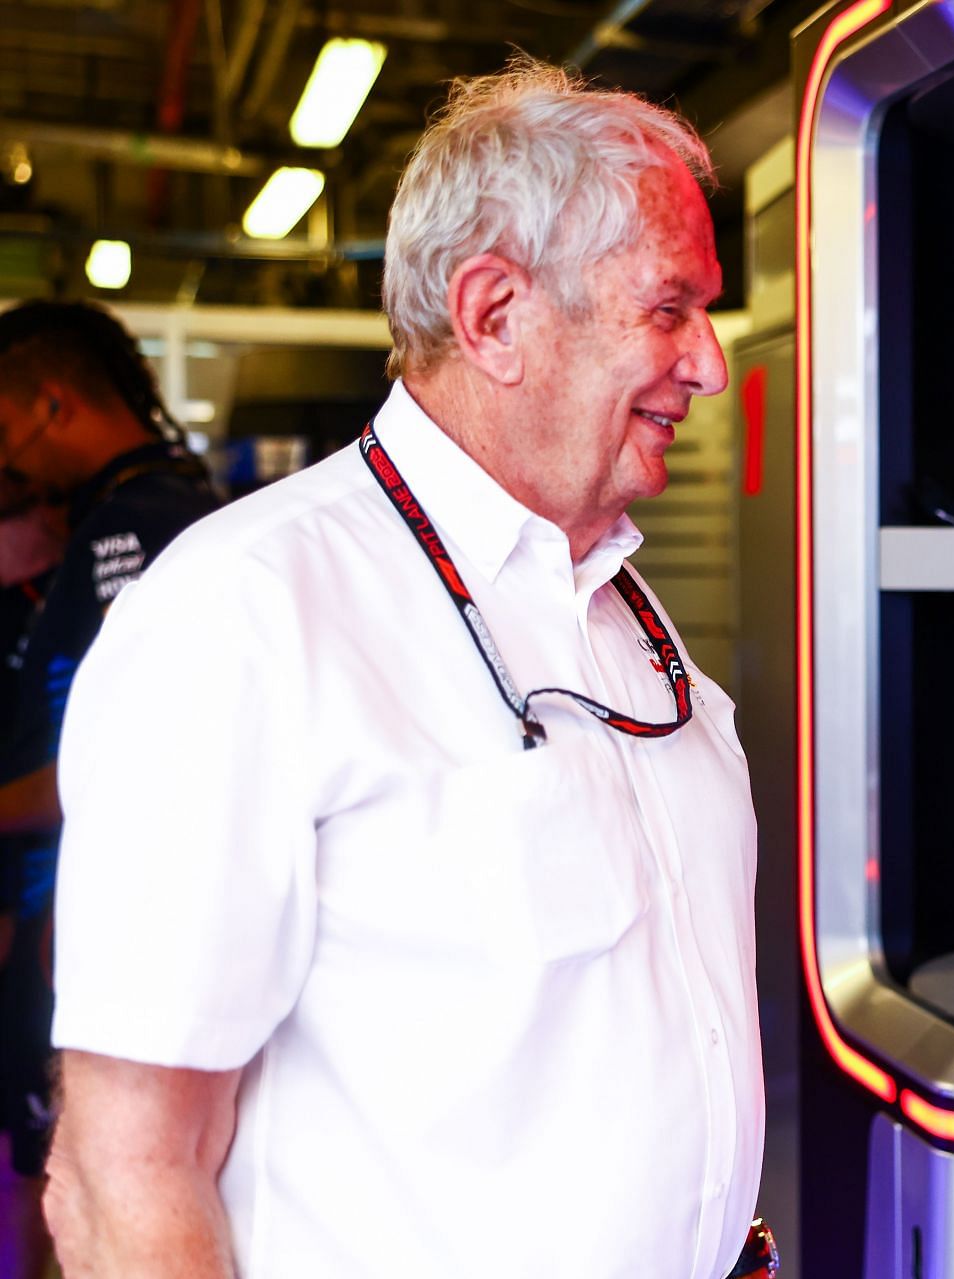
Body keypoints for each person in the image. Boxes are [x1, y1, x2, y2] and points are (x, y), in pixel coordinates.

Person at [43, 61, 765, 1278]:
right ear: (492, 316)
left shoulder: (618, 607)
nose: (711, 365)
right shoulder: (245, 612)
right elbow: (123, 1173)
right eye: (668, 309)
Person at [0, 301, 220, 1275]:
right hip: (65, 924)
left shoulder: (149, 523)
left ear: (51, 405)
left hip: (93, 938)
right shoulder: (114, 518)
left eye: (2, 427)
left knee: (80, 1187)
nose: (6, 461)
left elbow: (142, 745)